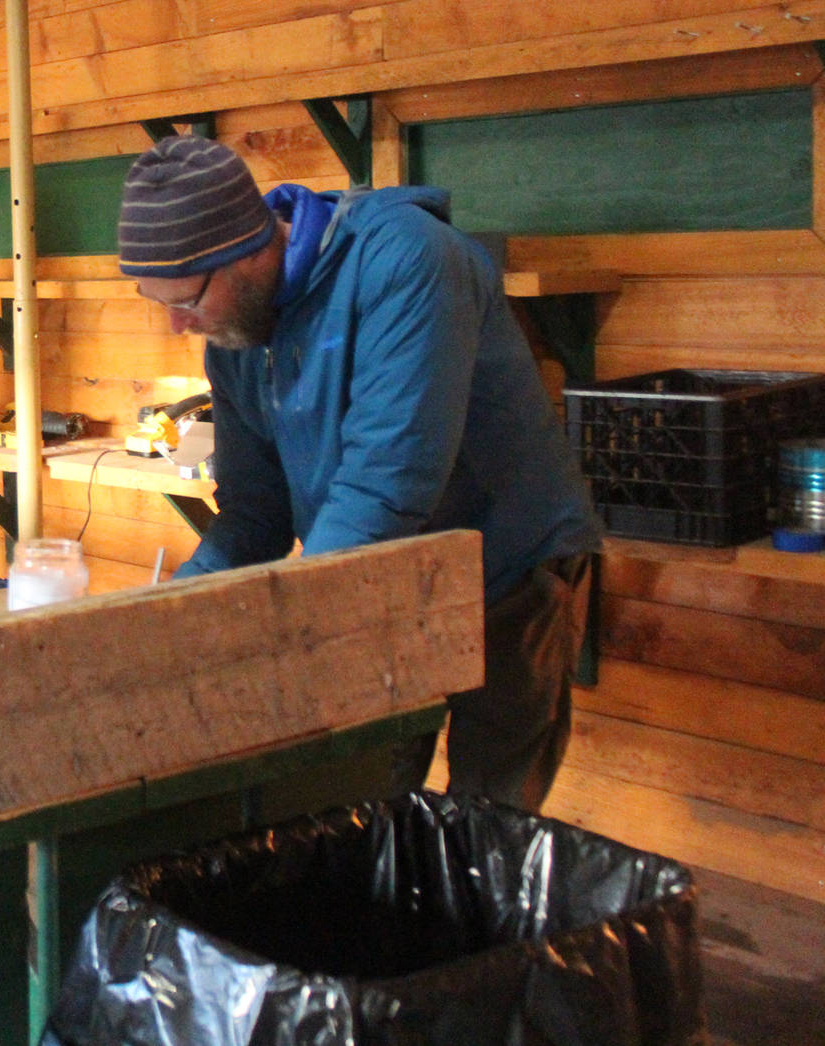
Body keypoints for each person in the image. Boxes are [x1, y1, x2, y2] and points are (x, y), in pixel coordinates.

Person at [117, 137, 602, 812]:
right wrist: (167, 622)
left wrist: (297, 635)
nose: (177, 324)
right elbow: (256, 514)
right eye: (156, 299)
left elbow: (385, 484)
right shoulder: (236, 332)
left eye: (188, 298)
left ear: (252, 250)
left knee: (489, 821)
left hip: (507, 565)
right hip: (380, 567)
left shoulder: (408, 261)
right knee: (362, 797)